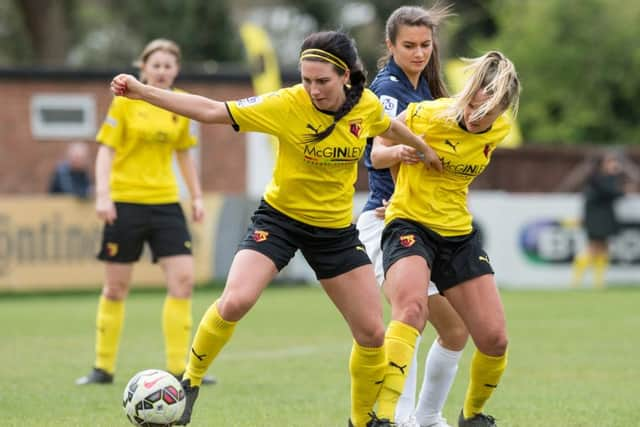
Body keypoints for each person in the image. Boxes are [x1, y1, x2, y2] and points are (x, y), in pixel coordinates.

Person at [109, 31, 442, 427]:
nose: (313, 90)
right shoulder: (285, 103)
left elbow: (388, 125)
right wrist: (143, 92)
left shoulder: (364, 105)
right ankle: (190, 382)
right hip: (279, 221)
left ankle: (361, 420)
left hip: (334, 232)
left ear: (346, 76)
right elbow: (211, 110)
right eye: (306, 80)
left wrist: (423, 149)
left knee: (372, 333)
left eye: (322, 81)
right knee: (236, 300)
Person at [374, 51, 521, 427]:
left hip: (457, 234)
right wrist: (404, 164)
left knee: (494, 338)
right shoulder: (430, 114)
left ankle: (472, 416)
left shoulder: (500, 129)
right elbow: (378, 149)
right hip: (409, 225)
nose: (478, 115)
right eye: (475, 103)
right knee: (410, 312)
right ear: (468, 92)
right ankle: (385, 418)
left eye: (489, 110)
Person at [76, 39, 215, 387]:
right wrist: (104, 195)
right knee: (115, 288)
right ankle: (102, 368)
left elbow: (184, 154)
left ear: (176, 71)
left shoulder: (180, 104)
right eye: (156, 65)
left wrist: (196, 197)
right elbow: (106, 151)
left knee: (182, 282)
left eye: (169, 65)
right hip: (124, 201)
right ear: (144, 69)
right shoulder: (124, 102)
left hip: (166, 202)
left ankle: (179, 370)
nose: (163, 71)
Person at [356, 5, 468, 427]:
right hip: (387, 220)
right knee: (411, 315)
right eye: (409, 46)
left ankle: (428, 416)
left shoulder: (430, 90)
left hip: (426, 221)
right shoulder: (388, 89)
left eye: (425, 44)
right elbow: (375, 153)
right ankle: (398, 418)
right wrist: (405, 154)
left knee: (455, 330)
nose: (419, 53)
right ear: (390, 46)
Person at [566, 150, 638, 288]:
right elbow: (612, 192)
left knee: (603, 248)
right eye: (610, 162)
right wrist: (624, 190)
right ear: (602, 164)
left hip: (604, 216)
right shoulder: (597, 178)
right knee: (593, 248)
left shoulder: (609, 178)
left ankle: (598, 282)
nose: (614, 165)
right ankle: (575, 282)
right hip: (596, 218)